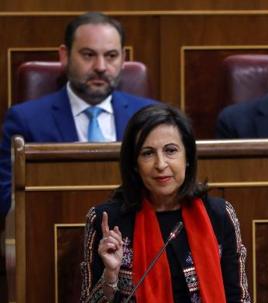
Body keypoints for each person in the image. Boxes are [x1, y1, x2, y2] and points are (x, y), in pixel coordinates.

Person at [80, 104, 253, 303]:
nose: (160, 164)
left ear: (188, 157)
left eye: (171, 150)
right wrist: (110, 275)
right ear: (134, 164)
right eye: (148, 153)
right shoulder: (107, 221)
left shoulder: (219, 216)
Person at [0, 12, 155, 217]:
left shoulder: (150, 117)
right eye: (88, 55)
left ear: (123, 59)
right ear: (65, 55)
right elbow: (6, 198)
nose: (100, 67)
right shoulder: (25, 121)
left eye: (111, 56)